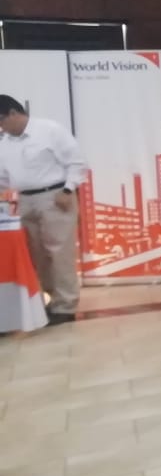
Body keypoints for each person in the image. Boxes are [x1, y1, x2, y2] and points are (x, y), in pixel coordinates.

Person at [0, 95, 87, 326]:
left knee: (59, 253)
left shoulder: (49, 130)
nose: (1, 127)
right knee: (35, 255)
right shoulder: (4, 142)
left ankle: (65, 306)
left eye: (1, 121)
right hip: (24, 200)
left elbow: (77, 162)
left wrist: (68, 190)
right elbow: (3, 178)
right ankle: (49, 300)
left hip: (55, 196)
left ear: (13, 113)